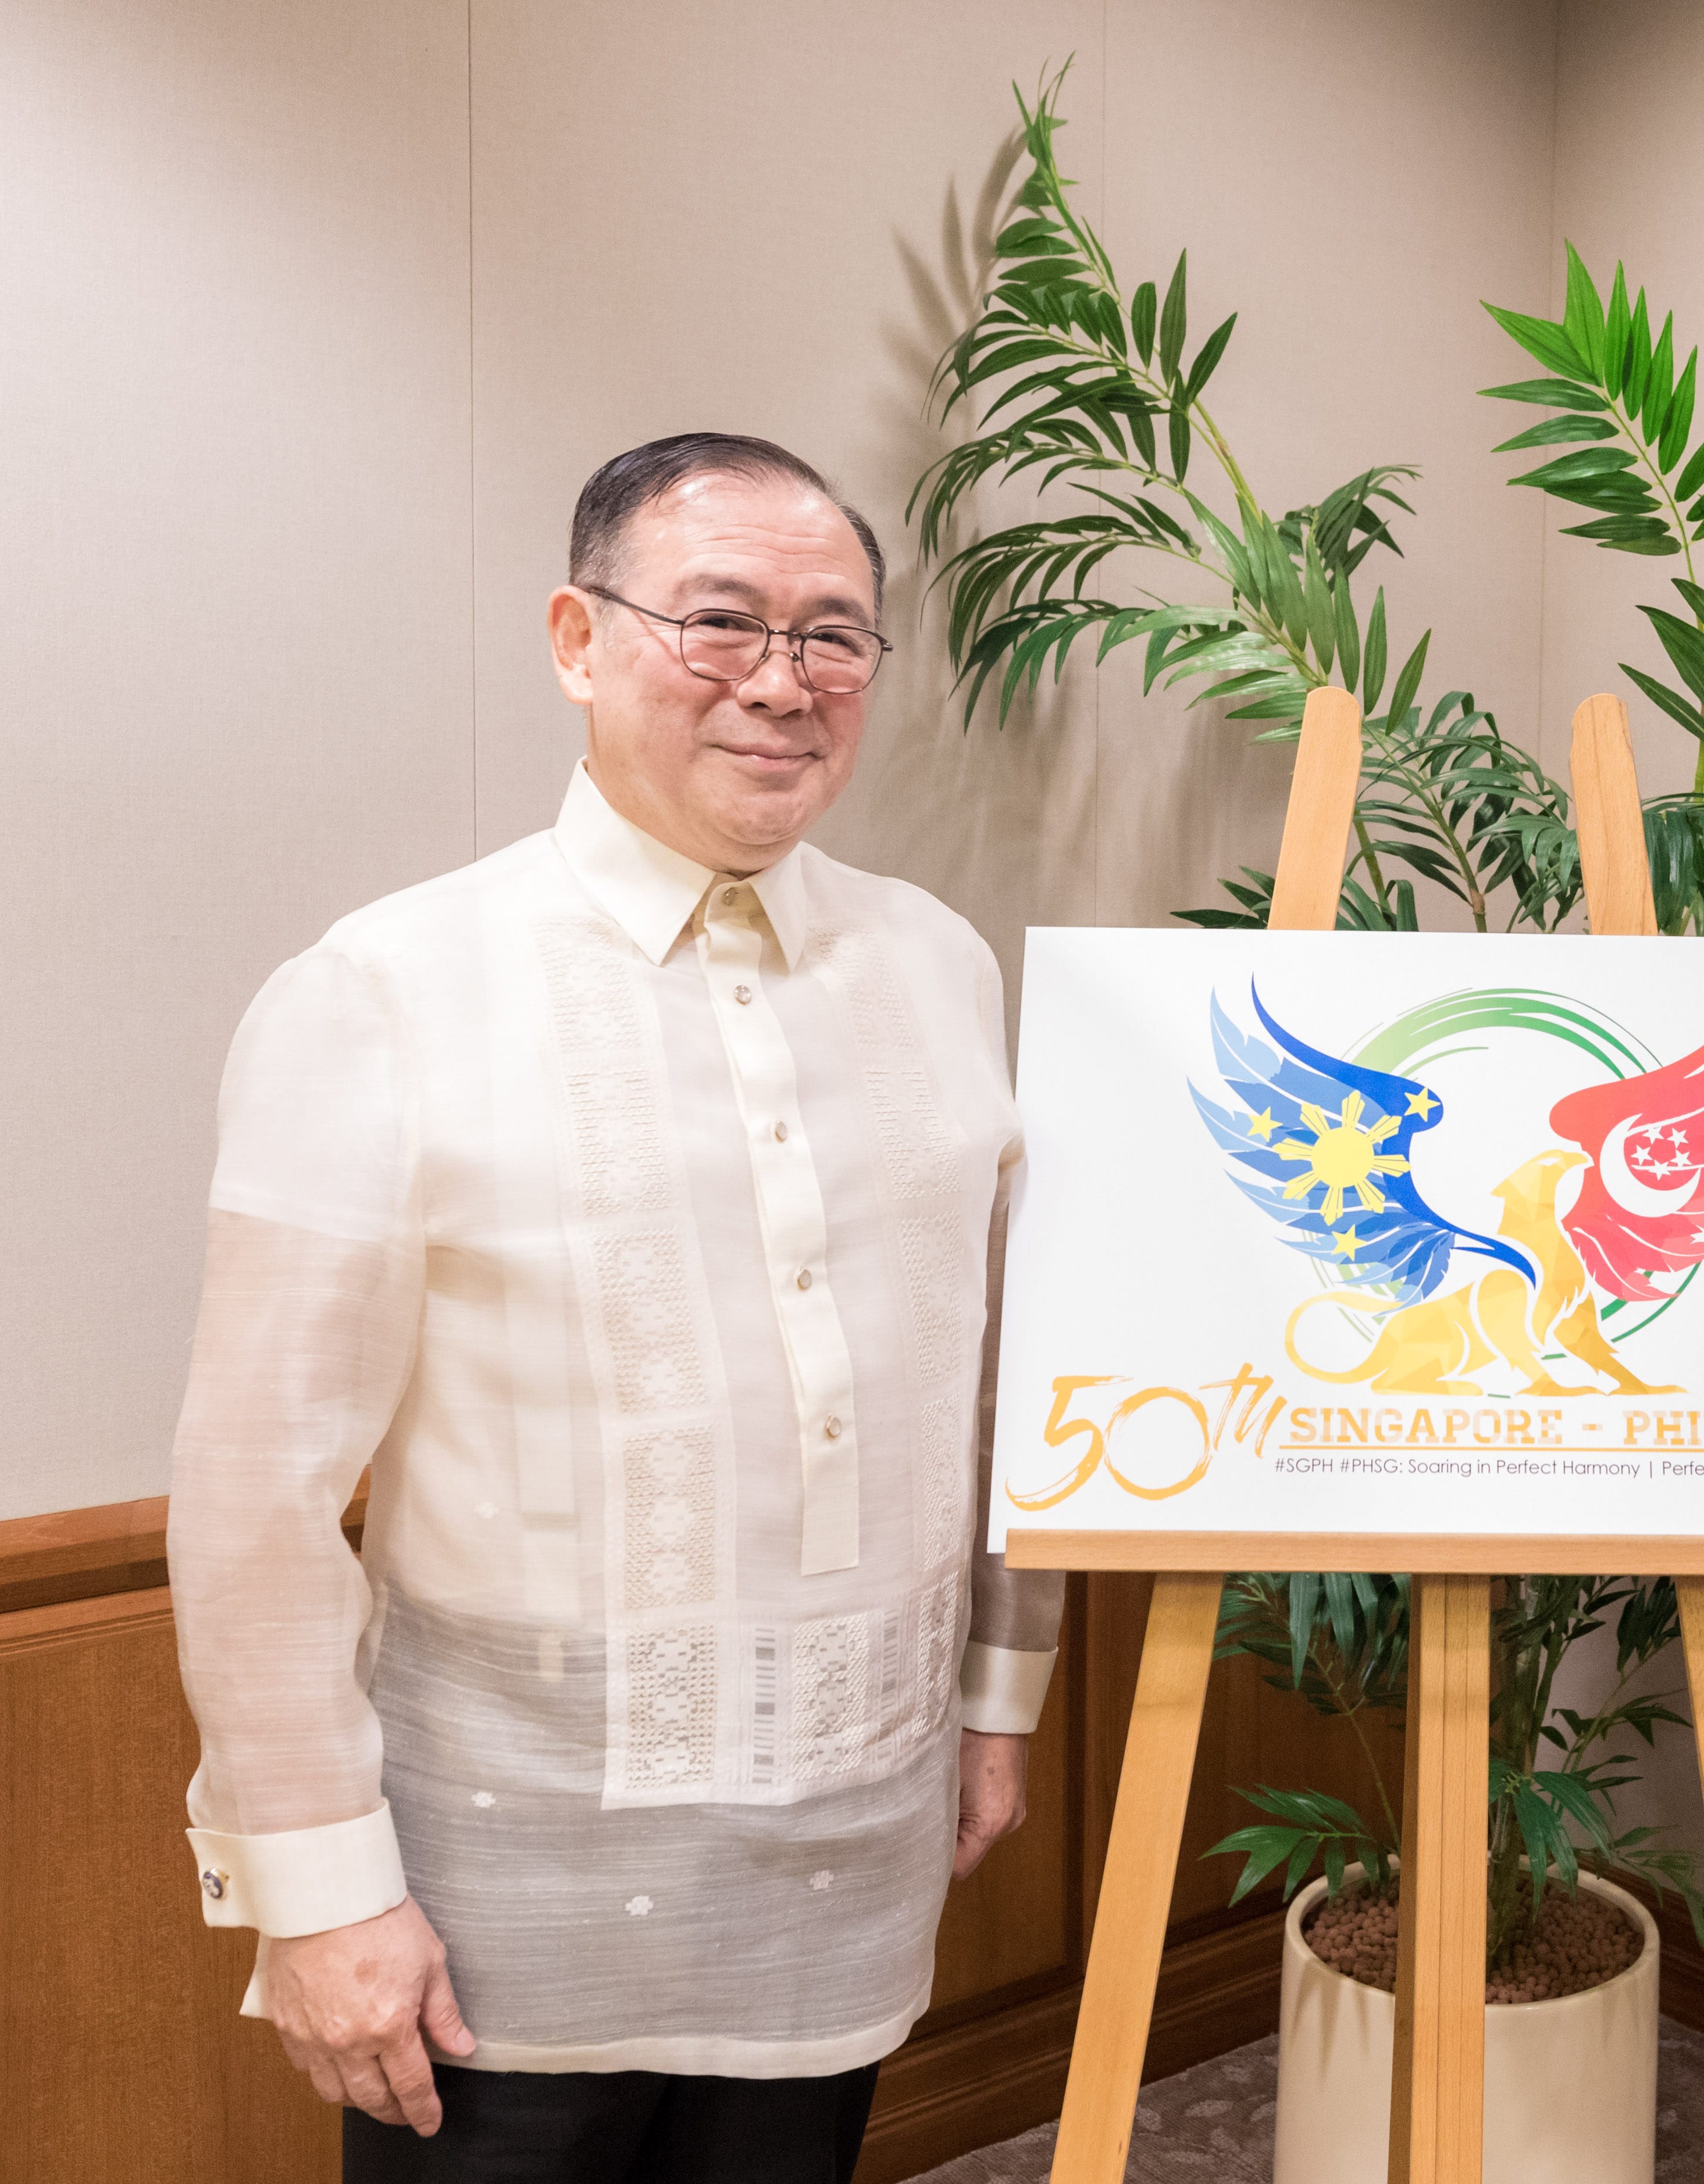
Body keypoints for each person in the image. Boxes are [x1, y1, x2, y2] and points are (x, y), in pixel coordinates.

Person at [166, 433, 1060, 2181]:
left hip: (849, 1853)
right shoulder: (389, 988)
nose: (782, 683)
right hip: (496, 1902)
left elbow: (993, 1378)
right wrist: (319, 1889)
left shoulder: (938, 965)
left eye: (834, 636)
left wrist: (996, 1695)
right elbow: (254, 1488)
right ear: (578, 640)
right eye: (717, 622)